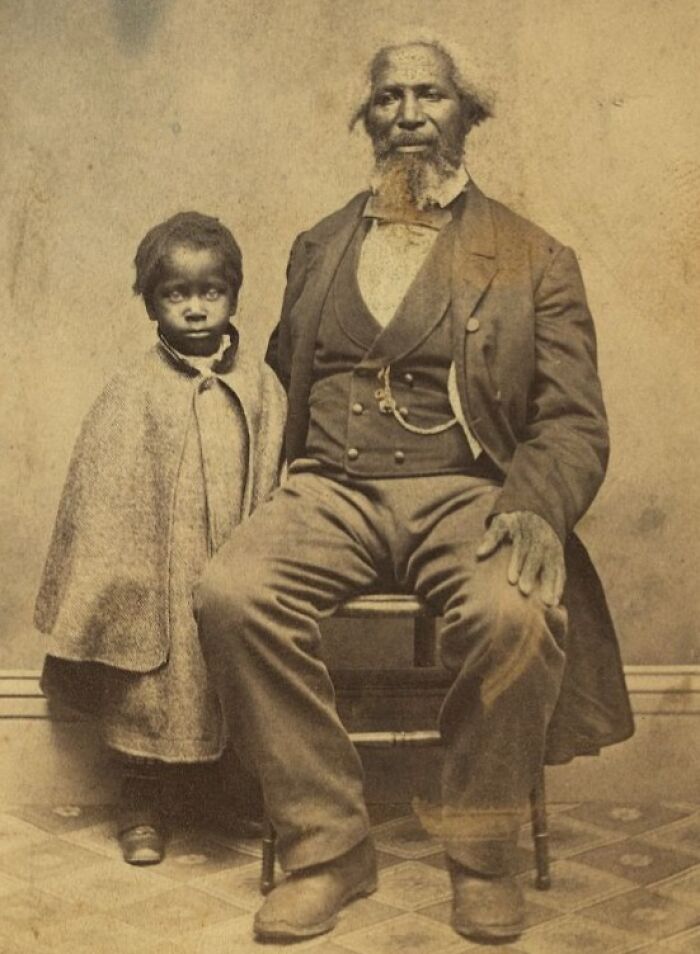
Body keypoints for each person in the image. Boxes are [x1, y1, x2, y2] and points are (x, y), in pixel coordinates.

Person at [195, 41, 633, 943]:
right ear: (367, 118)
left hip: (470, 493)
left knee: (515, 615)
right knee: (231, 595)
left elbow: (573, 419)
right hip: (331, 489)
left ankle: (482, 855)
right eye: (388, 97)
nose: (407, 114)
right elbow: (282, 378)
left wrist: (533, 505)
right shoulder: (318, 247)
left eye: (429, 94)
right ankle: (328, 849)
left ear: (467, 113)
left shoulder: (534, 256)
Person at [35, 211, 286, 865]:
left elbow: (275, 472)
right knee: (150, 685)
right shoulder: (132, 389)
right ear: (152, 302)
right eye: (177, 293)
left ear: (234, 295)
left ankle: (226, 789)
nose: (196, 308)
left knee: (225, 672)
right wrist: (120, 575)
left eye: (212, 291)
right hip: (154, 573)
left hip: (229, 561)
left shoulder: (259, 385)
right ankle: (142, 798)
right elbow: (100, 497)